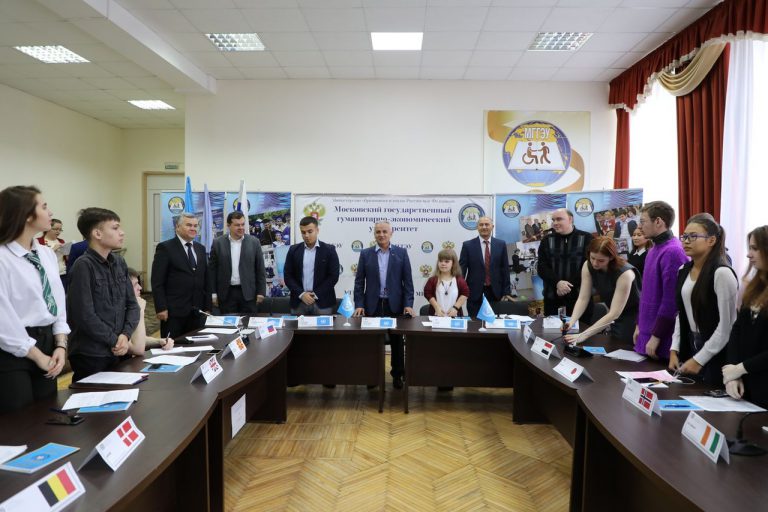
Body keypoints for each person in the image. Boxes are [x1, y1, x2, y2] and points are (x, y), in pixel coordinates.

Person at [0, 186, 68, 413]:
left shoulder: (46, 253)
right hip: (12, 348)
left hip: (47, 341)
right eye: (44, 207)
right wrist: (37, 356)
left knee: (46, 413)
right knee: (19, 419)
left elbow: (57, 302)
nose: (51, 213)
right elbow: (3, 318)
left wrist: (60, 344)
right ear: (27, 215)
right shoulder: (3, 257)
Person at [66, 208, 139, 382]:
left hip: (119, 348)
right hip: (92, 353)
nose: (122, 232)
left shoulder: (119, 262)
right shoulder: (83, 265)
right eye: (115, 228)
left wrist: (125, 335)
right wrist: (115, 340)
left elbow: (132, 304)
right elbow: (84, 315)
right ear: (97, 233)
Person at [669, 214, 737, 385]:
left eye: (693, 236)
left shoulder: (722, 273)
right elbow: (681, 313)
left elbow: (727, 325)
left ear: (711, 240)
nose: (686, 241)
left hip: (717, 349)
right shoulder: (683, 269)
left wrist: (700, 359)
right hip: (691, 344)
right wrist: (674, 348)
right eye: (684, 236)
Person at [353, 220, 414, 389]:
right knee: (372, 342)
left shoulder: (401, 253)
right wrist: (359, 304)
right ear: (374, 234)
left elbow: (408, 282)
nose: (381, 235)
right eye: (378, 232)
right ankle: (372, 376)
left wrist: (408, 304)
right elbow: (359, 282)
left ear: (391, 233)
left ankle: (398, 375)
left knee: (397, 341)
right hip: (372, 304)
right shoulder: (365, 254)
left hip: (394, 305)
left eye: (384, 231)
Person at [634, 201, 689, 359]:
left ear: (658, 221)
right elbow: (646, 293)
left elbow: (671, 300)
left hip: (661, 340)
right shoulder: (653, 250)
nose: (639, 226)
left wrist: (657, 335)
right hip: (646, 333)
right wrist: (638, 324)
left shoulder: (673, 251)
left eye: (643, 221)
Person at [564, 237, 641, 344]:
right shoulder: (588, 265)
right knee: (614, 344)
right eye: (592, 258)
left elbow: (614, 314)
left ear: (611, 257)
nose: (595, 263)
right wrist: (571, 321)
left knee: (624, 345)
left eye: (601, 260)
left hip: (634, 316)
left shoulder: (625, 274)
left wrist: (583, 335)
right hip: (614, 314)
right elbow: (583, 298)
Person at [723, 226, 768, 406]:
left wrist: (741, 368)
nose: (749, 255)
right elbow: (738, 329)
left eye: (755, 248)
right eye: (749, 248)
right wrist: (733, 373)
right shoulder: (755, 286)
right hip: (747, 384)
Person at [151, 212, 211, 338]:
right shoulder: (165, 248)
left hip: (197, 311)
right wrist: (161, 307)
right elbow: (157, 281)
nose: (193, 228)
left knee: (197, 344)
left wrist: (207, 306)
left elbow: (206, 279)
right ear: (177, 227)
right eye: (189, 225)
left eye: (195, 226)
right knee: (173, 346)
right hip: (174, 312)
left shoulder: (200, 248)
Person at [209, 211, 266, 315]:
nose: (241, 227)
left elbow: (260, 269)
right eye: (237, 225)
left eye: (243, 224)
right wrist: (213, 293)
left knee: (249, 323)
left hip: (249, 294)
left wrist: (261, 292)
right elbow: (212, 271)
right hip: (226, 294)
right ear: (228, 225)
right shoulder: (218, 243)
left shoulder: (254, 242)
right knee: (229, 324)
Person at [537, 208, 591, 316]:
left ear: (570, 219)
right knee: (552, 327)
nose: (555, 223)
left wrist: (567, 287)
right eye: (553, 220)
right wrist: (557, 283)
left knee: (581, 327)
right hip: (552, 298)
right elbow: (542, 267)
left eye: (559, 219)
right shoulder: (546, 240)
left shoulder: (587, 238)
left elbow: (589, 266)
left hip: (580, 298)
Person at [459, 216, 514, 318]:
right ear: (477, 227)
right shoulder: (467, 246)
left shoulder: (501, 244)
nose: (484, 227)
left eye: (487, 224)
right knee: (475, 324)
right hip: (474, 293)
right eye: (481, 225)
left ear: (492, 226)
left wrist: (506, 291)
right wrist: (460, 290)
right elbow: (462, 270)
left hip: (495, 293)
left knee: (494, 324)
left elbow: (505, 269)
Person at [284, 216, 340, 315]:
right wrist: (302, 294)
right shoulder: (293, 250)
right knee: (297, 326)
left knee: (323, 326)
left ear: (317, 230)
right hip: (299, 301)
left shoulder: (329, 250)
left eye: (310, 231)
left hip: (323, 302)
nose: (306, 235)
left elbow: (333, 276)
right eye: (303, 232)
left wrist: (315, 294)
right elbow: (288, 276)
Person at [127, 268, 173, 352]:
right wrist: (140, 311)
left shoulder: (127, 308)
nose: (140, 287)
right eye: (136, 284)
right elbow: (137, 349)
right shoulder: (116, 313)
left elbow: (138, 338)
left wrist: (159, 341)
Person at [424, 249, 469, 316]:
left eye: (447, 261)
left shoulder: (459, 280)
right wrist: (436, 307)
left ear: (453, 263)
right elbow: (427, 293)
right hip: (436, 317)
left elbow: (465, 293)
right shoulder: (432, 280)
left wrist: (455, 308)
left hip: (454, 317)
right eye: (440, 261)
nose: (443, 264)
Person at [37, 218, 67, 287]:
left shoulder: (61, 241)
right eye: (56, 229)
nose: (58, 232)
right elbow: (39, 259)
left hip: (62, 274)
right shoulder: (38, 241)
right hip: (48, 275)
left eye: (60, 230)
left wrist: (68, 255)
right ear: (48, 228)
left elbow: (64, 259)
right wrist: (53, 249)